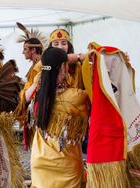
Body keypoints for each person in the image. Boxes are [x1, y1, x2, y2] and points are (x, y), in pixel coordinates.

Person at [82, 44, 140, 187]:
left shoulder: (113, 80)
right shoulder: (90, 72)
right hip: (96, 137)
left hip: (112, 136)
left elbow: (125, 97)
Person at [31, 47, 90, 187]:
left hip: (40, 163)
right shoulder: (76, 97)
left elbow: (43, 66)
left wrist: (62, 59)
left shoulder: (38, 93)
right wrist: (82, 58)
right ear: (64, 67)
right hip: (66, 165)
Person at [14, 22, 47, 151]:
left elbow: (35, 88)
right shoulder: (35, 65)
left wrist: (24, 93)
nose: (23, 52)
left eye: (25, 49)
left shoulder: (40, 65)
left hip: (38, 111)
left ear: (33, 50)